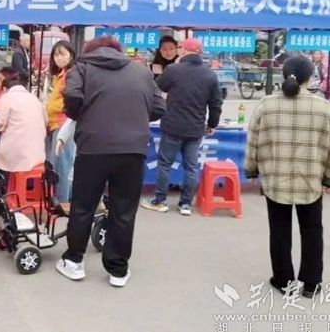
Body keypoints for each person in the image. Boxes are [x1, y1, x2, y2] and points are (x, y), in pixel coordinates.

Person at [55, 36, 165, 287]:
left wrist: (82, 114)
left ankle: (74, 261)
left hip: (92, 147)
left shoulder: (81, 68)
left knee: (83, 206)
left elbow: (71, 98)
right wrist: (134, 118)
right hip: (132, 149)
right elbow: (159, 107)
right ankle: (118, 270)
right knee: (123, 209)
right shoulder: (141, 72)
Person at [245, 56, 330, 299]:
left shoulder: (266, 105)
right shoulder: (323, 107)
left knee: (279, 230)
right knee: (312, 230)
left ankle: (283, 280)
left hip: (275, 181)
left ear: (284, 74)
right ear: (310, 77)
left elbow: (253, 141)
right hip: (310, 182)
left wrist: (252, 171)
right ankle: (311, 284)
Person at [141, 38, 223, 216]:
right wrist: (212, 124)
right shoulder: (210, 75)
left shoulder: (173, 70)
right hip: (196, 127)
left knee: (165, 164)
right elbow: (216, 103)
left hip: (172, 125)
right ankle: (185, 204)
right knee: (191, 167)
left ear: (183, 51)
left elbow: (156, 87)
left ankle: (160, 200)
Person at [0, 73, 46, 174]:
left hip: (18, 157)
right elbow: (45, 122)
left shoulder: (6, 98)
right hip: (38, 155)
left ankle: (3, 182)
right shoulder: (34, 99)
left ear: (4, 89)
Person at [46, 40, 76, 202]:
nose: (59, 58)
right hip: (56, 124)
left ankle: (61, 202)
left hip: (63, 125)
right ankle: (64, 200)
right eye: (56, 55)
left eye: (63, 54)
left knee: (62, 167)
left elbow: (69, 100)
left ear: (71, 55)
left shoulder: (71, 75)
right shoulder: (60, 75)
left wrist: (50, 106)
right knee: (59, 165)